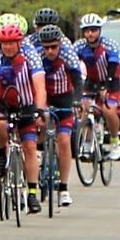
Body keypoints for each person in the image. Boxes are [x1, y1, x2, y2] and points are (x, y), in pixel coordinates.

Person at [0, 24, 48, 214]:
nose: (8, 47)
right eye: (4, 44)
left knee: (30, 147)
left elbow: (40, 85)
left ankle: (32, 192)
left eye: (12, 43)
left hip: (27, 104)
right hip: (3, 103)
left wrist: (39, 110)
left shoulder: (30, 55)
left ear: (19, 42)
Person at [37, 24, 83, 207]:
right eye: (46, 47)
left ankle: (63, 188)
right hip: (45, 97)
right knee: (41, 121)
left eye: (53, 47)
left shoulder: (68, 54)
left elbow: (78, 81)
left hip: (65, 98)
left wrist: (77, 101)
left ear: (60, 44)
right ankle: (40, 154)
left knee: (64, 141)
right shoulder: (37, 56)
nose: (50, 51)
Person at [74, 12, 120, 160]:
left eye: (94, 30)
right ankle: (88, 142)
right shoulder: (79, 46)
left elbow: (113, 65)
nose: (90, 34)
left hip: (111, 81)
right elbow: (72, 65)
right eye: (87, 31)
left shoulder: (110, 45)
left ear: (100, 30)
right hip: (92, 81)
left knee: (108, 111)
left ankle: (115, 141)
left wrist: (107, 86)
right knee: (85, 109)